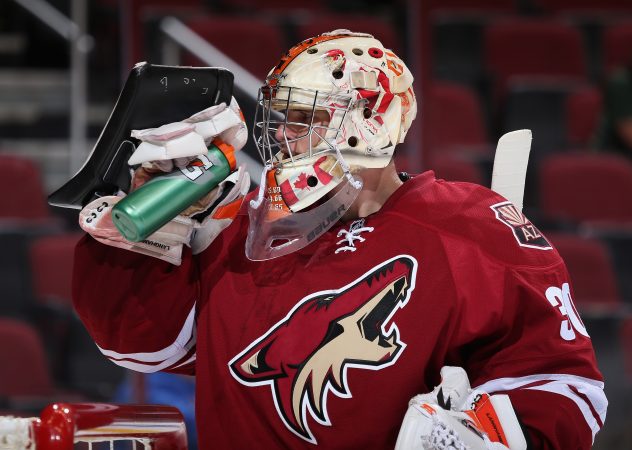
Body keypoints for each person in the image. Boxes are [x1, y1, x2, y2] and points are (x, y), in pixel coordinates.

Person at [72, 30, 606, 449]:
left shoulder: (470, 228)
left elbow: (568, 385)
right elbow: (140, 349)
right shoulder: (241, 225)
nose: (281, 136)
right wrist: (145, 244)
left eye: (303, 118)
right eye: (280, 118)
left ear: (369, 121)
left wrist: (491, 429)